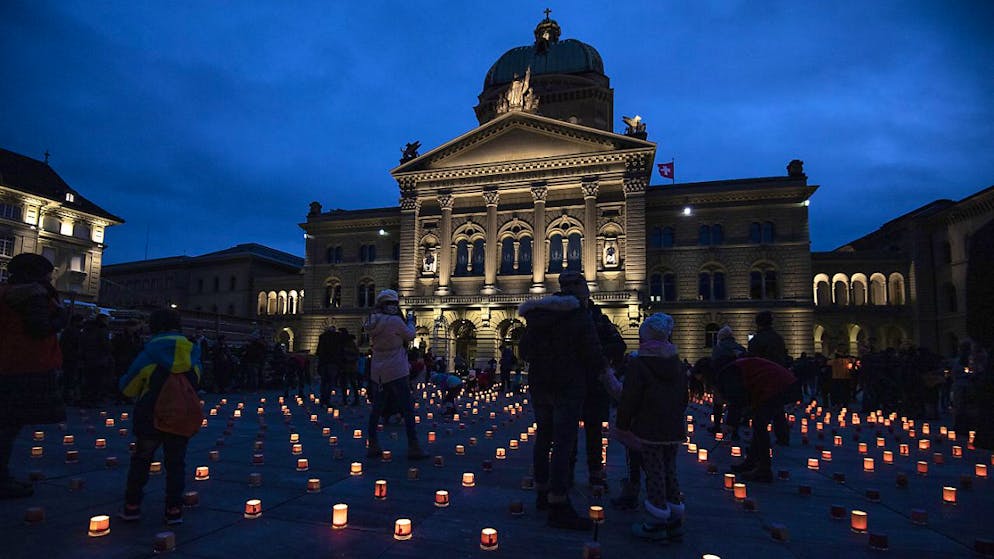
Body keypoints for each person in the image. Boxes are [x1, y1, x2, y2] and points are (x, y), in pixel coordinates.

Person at [518, 276, 604, 530]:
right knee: (564, 444)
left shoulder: (539, 316)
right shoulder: (579, 315)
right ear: (580, 293)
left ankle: (542, 493)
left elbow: (523, 351)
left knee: (544, 438)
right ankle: (559, 504)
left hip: (541, 385)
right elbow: (594, 353)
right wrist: (612, 384)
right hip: (567, 386)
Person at [118, 307, 202, 525]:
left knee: (141, 460)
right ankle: (174, 509)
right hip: (180, 417)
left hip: (150, 417)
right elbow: (197, 382)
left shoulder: (149, 354)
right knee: (176, 463)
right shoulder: (192, 353)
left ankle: (132, 506)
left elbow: (127, 387)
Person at [0, 253, 67, 499]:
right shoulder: (33, 296)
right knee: (7, 426)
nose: (51, 278)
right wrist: (60, 318)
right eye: (49, 273)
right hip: (25, 366)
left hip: (9, 364)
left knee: (6, 425)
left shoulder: (7, 293)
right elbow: (38, 328)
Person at [615, 313, 687, 541]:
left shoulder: (639, 362)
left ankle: (657, 521)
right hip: (672, 427)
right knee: (670, 470)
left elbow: (630, 397)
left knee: (654, 472)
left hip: (648, 427)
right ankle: (675, 517)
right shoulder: (676, 362)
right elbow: (683, 397)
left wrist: (623, 425)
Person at [559, 270, 626, 490]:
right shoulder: (556, 316)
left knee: (593, 432)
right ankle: (566, 475)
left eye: (576, 286)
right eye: (567, 286)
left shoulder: (596, 316)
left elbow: (619, 345)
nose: (574, 291)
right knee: (567, 433)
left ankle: (595, 473)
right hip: (568, 383)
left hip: (593, 384)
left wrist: (593, 353)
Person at [364, 290, 428, 460]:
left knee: (377, 408)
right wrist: (411, 321)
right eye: (391, 303)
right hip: (397, 368)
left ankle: (373, 444)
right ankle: (413, 446)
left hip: (378, 369)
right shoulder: (394, 320)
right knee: (407, 408)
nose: (393, 306)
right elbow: (411, 335)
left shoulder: (371, 320)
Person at [719, 357, 796, 482]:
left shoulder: (728, 374)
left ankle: (764, 470)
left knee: (759, 425)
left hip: (777, 386)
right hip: (778, 385)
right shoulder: (731, 370)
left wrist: (731, 423)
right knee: (758, 423)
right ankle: (751, 462)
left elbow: (737, 398)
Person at [747, 311, 791, 445]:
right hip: (779, 377)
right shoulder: (778, 338)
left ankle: (760, 441)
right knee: (778, 410)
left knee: (760, 413)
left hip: (763, 379)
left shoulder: (757, 340)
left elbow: (753, 360)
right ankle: (783, 437)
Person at [710, 325, 745, 437]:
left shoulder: (718, 348)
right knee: (735, 407)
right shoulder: (740, 348)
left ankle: (717, 426)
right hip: (738, 381)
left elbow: (714, 365)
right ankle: (734, 431)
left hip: (721, 380)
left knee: (718, 405)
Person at [316, 325, 340, 404]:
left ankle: (323, 399)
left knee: (324, 382)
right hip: (332, 363)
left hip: (323, 363)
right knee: (330, 382)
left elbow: (318, 352)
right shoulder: (336, 339)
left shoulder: (322, 338)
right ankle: (327, 399)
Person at [339, 329, 361, 405]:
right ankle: (345, 400)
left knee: (352, 383)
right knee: (344, 384)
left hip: (350, 366)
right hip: (345, 366)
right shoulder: (343, 344)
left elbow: (355, 353)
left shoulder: (350, 344)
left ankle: (356, 399)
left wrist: (347, 357)